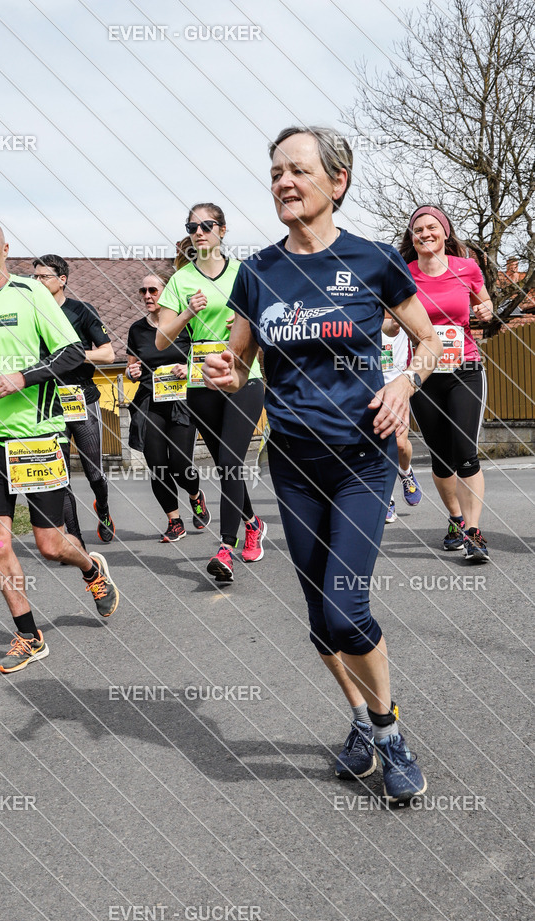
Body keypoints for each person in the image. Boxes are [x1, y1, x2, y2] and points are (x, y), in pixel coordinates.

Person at [204, 126, 443, 803]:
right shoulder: (258, 272)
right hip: (294, 463)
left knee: (345, 607)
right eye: (275, 172)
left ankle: (388, 732)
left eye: (298, 170)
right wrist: (227, 372)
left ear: (337, 182)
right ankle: (362, 718)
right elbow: (241, 362)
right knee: (319, 616)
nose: (284, 182)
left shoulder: (373, 261)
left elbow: (429, 340)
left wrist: (404, 383)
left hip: (362, 458)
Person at [0, 217, 119, 674]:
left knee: (50, 545)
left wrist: (24, 377)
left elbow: (72, 352)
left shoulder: (31, 293)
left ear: (4, 250)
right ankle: (28, 635)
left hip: (36, 439)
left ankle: (91, 569)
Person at [156, 204, 266, 581]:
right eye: (192, 227)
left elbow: (270, 322)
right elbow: (161, 339)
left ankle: (225, 548)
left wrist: (246, 324)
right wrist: (187, 313)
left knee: (232, 459)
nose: (199, 232)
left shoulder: (244, 273)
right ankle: (253, 524)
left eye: (206, 225)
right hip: (201, 380)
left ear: (223, 229)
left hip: (244, 374)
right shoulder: (181, 280)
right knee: (224, 464)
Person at [399, 205, 493, 562]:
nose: (425, 233)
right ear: (412, 237)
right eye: (418, 229)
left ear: (445, 232)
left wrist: (486, 310)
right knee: (441, 458)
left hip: (464, 368)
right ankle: (456, 519)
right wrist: (391, 322)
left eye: (431, 227)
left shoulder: (467, 268)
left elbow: (485, 304)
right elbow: (391, 324)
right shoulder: (403, 274)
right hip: (423, 375)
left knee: (465, 452)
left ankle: (473, 533)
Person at [32, 255, 116, 544]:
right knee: (60, 477)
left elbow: (108, 354)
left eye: (44, 277)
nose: (38, 282)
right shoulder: (31, 314)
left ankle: (103, 509)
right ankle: (75, 540)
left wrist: (74, 357)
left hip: (81, 397)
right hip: (48, 403)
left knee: (94, 473)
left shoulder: (81, 310)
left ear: (62, 280)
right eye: (35, 277)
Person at [126, 269, 210, 541]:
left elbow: (203, 358)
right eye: (143, 291)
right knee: (157, 464)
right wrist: (131, 373)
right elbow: (130, 367)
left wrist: (188, 368)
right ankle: (174, 521)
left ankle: (195, 495)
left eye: (153, 290)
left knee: (181, 463)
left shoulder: (186, 325)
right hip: (150, 401)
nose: (147, 295)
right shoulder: (137, 330)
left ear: (167, 293)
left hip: (183, 401)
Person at [380, 323, 422, 523]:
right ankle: (386, 498)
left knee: (400, 444)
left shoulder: (404, 314)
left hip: (396, 386)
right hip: (367, 386)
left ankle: (405, 472)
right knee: (377, 446)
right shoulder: (360, 313)